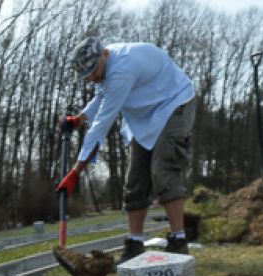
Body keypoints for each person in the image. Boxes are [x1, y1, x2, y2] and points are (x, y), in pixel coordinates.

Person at [56, 37, 196, 262]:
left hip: (173, 104)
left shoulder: (122, 70)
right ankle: (134, 244)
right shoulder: (105, 67)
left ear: (104, 55)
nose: (91, 78)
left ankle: (179, 240)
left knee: (164, 170)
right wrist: (78, 119)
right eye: (87, 76)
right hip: (146, 114)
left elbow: (100, 126)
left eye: (93, 72)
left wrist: (75, 172)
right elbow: (100, 97)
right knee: (135, 180)